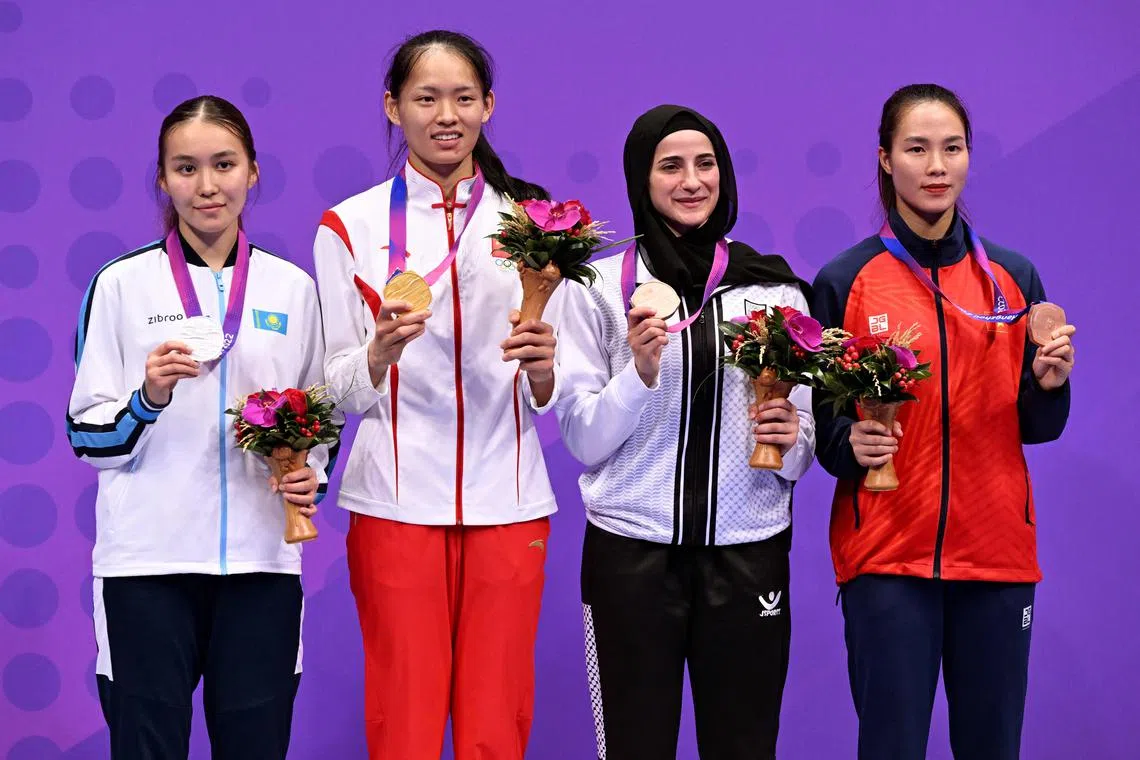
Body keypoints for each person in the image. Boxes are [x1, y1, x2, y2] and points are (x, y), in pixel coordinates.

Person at [312, 29, 560, 760]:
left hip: (509, 501)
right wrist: (379, 352)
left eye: (462, 97)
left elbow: (556, 392)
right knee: (404, 720)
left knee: (496, 722)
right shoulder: (347, 228)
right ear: (393, 107)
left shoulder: (534, 224)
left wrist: (544, 369)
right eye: (425, 98)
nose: (445, 114)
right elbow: (335, 392)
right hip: (393, 503)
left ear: (489, 106)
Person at [811, 83, 1076, 760]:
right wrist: (852, 442)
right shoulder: (847, 279)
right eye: (917, 148)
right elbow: (826, 426)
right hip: (887, 562)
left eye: (951, 148)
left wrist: (1049, 386)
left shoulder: (1014, 279)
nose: (936, 165)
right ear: (884, 160)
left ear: (967, 159)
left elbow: (1038, 425)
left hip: (996, 560)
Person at [66, 95, 329, 759]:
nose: (207, 186)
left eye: (224, 164)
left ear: (254, 171)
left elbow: (319, 420)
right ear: (161, 178)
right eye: (185, 168)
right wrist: (148, 395)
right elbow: (87, 436)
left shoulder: (292, 289)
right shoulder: (121, 285)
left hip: (263, 566)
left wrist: (309, 477)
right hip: (147, 570)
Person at [554, 104, 816, 760]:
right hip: (631, 557)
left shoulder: (775, 293)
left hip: (748, 549)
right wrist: (639, 372)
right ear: (641, 180)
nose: (692, 180)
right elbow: (583, 439)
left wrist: (789, 442)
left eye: (706, 165)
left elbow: (802, 443)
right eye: (670, 166)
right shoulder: (596, 290)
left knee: (746, 746)